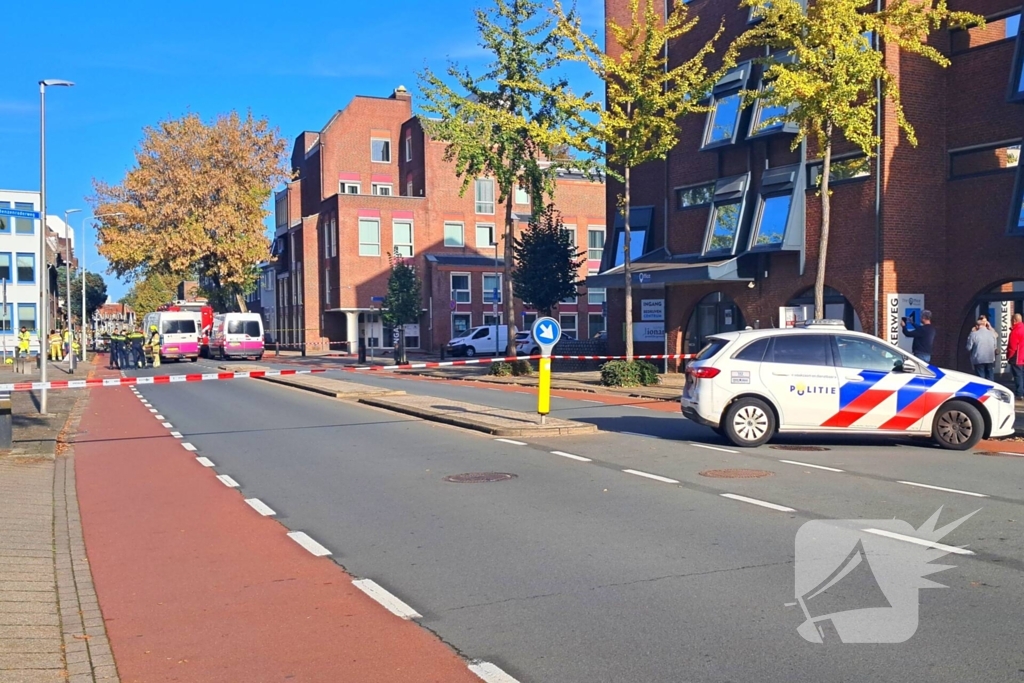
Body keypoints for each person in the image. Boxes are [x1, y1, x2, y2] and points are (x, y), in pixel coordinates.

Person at [966, 313, 999, 380]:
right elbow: (995, 346)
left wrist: (971, 333)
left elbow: (968, 347)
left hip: (978, 359)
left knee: (981, 379)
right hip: (990, 359)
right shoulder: (992, 333)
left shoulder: (974, 334)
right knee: (990, 378)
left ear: (977, 326)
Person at [1007, 313, 1024, 400]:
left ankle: (1019, 393)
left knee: (1018, 375)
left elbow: (1012, 347)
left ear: (1014, 321)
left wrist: (1009, 356)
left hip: (1017, 357)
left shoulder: (1015, 331)